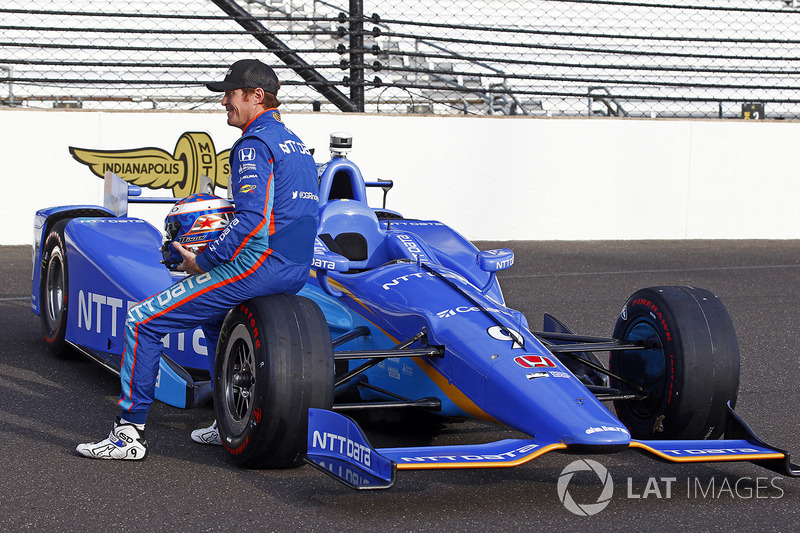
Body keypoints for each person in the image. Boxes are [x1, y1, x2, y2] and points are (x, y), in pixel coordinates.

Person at [76, 59, 320, 459]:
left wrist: (203, 262)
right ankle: (224, 418)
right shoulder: (295, 144)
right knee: (213, 321)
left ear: (256, 96)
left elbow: (250, 222)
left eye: (231, 93)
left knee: (141, 322)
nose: (225, 101)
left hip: (259, 265)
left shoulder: (253, 145)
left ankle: (127, 434)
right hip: (293, 268)